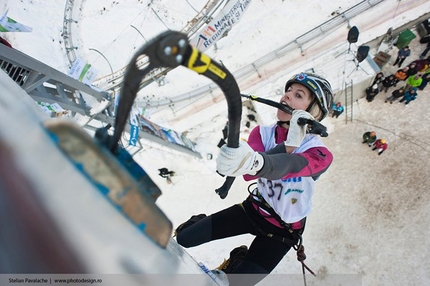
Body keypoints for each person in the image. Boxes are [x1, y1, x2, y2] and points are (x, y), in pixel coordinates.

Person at [175, 73, 334, 285]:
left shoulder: (320, 153)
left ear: (312, 112)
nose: (286, 97)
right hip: (253, 210)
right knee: (185, 238)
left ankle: (236, 263)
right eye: (288, 91)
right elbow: (249, 174)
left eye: (298, 95)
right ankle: (200, 222)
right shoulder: (263, 132)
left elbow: (291, 166)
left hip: (282, 231)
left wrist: (285, 148)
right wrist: (243, 161)